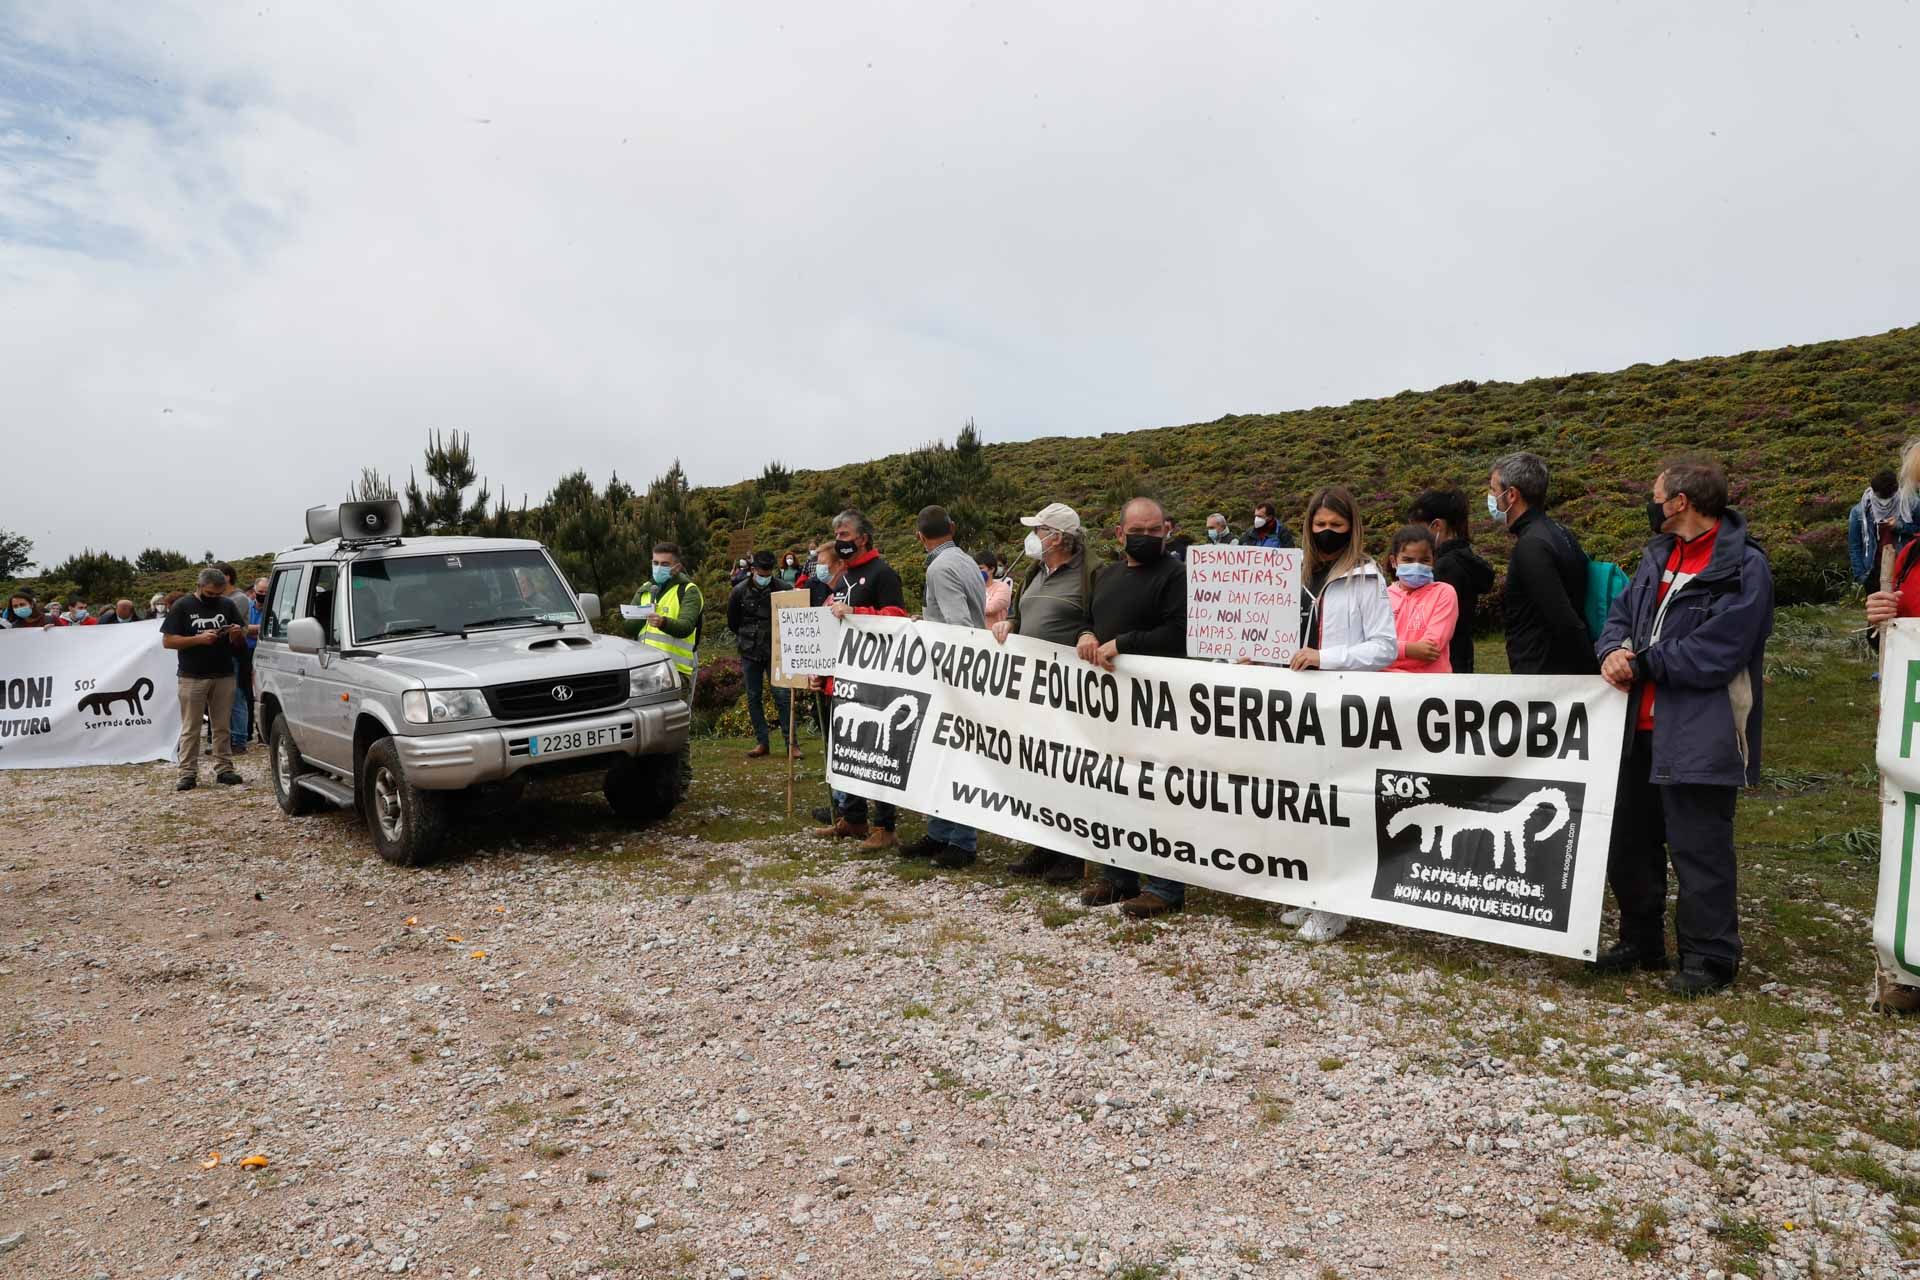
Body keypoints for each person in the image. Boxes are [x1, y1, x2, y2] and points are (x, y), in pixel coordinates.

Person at [1596, 458, 1773, 997]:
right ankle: (1640, 940)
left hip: (1702, 728)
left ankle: (1710, 957)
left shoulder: (1745, 567)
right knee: (1630, 840)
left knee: (1700, 845)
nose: (1651, 504)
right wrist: (1611, 651)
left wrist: (1645, 662)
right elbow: (1618, 616)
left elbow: (1723, 647)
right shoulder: (1656, 557)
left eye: (1656, 495)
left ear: (1680, 502)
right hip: (1636, 728)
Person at [1280, 485, 1397, 943]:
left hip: (1343, 704)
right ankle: (1310, 892)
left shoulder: (1367, 577)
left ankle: (1337, 906)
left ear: (1352, 528)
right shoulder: (1293, 575)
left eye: (1337, 525)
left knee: (1336, 806)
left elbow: (1384, 648)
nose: (1327, 533)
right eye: (1320, 525)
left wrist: (1325, 658)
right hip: (1294, 706)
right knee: (1302, 803)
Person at [1076, 498, 1189, 918]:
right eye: (1136, 531)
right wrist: (1086, 634)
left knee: (1157, 793)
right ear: (1120, 534)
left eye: (1154, 530)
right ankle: (1118, 876)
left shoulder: (1177, 575)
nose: (1146, 538)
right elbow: (1088, 618)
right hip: (1108, 707)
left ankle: (1164, 886)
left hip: (1159, 706)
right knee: (1111, 787)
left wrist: (1124, 644)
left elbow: (1179, 634)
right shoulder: (1106, 575)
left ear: (1167, 531)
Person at [995, 502, 1097, 884]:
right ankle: (1043, 844)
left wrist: (1089, 633)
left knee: (1067, 771)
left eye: (1038, 530)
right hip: (1031, 690)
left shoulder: (1090, 574)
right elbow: (1024, 614)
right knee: (1036, 768)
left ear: (1058, 537)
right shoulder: (1034, 571)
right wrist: (1011, 624)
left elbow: (1096, 618)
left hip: (1070, 691)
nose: (1033, 537)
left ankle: (1071, 855)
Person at [812, 509, 908, 851]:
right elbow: (831, 628)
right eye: (836, 535)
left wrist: (859, 614)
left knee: (874, 753)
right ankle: (853, 818)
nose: (840, 541)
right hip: (839, 681)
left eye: (845, 535)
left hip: (873, 681)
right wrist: (820, 672)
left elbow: (898, 619)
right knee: (843, 752)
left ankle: (885, 825)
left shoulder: (882, 573)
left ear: (863, 537)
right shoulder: (843, 577)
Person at [898, 506, 988, 868]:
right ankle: (939, 832)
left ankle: (962, 842)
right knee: (941, 756)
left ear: (919, 536)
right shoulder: (965, 560)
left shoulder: (939, 567)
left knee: (954, 758)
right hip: (966, 672)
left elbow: (957, 626)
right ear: (952, 527)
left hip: (953, 676)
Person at [1866, 474, 1920, 1012]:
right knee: (1911, 834)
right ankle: (1907, 967)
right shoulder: (1907, 556)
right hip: (1913, 731)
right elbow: (1894, 640)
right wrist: (1882, 619)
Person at [1489, 451, 1598, 675]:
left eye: (1493, 490)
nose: (1490, 497)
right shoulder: (1559, 532)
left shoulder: (1532, 546)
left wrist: (1594, 672)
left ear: (1511, 495)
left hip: (1543, 676)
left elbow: (1562, 617)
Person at [162, 567, 249, 791]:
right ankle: (187, 773)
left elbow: (240, 642)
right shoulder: (182, 606)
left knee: (222, 726)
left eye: (218, 594)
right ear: (199, 587)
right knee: (191, 727)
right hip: (193, 675)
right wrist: (198, 639)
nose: (213, 598)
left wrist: (237, 634)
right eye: (209, 594)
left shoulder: (227, 605)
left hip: (224, 673)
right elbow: (168, 641)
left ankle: (224, 769)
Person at [1407, 487, 1495, 674]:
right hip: (1462, 654)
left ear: (1436, 526)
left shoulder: (1445, 567)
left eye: (1416, 529)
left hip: (1442, 660)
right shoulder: (1466, 558)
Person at [729, 551, 798, 760]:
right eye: (761, 571)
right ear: (753, 570)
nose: (765, 575)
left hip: (776, 650)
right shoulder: (739, 591)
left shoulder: (783, 588)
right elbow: (733, 622)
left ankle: (791, 743)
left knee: (783, 696)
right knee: (753, 696)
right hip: (750, 650)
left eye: (768, 572)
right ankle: (762, 742)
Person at [625, 543, 705, 691]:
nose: (658, 568)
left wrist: (663, 622)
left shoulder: (688, 591)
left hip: (676, 671)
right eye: (655, 563)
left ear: (677, 567)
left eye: (665, 564)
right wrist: (641, 616)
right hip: (643, 668)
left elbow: (686, 627)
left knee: (673, 714)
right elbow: (629, 628)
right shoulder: (645, 590)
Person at [1383, 525, 1458, 674]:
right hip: (1386, 688)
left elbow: (1430, 650)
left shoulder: (1444, 593)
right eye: (1408, 560)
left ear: (1433, 560)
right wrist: (1409, 649)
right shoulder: (1381, 597)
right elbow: (1369, 648)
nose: (1416, 566)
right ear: (1394, 561)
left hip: (1430, 688)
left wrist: (1387, 652)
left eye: (1424, 560)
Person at [217, 564, 255, 752]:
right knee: (224, 698)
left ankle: (239, 739)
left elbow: (227, 623)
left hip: (235, 652)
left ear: (228, 576)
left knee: (237, 695)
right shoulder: (223, 598)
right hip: (223, 653)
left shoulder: (238, 599)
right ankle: (228, 739)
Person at [1851, 469, 1900, 587]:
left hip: (1900, 568)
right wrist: (1861, 575)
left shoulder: (1908, 507)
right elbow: (1855, 545)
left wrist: (1899, 526)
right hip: (1873, 571)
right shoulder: (1860, 511)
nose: (1882, 501)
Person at [975, 551, 1012, 629]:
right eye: (974, 568)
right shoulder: (973, 587)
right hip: (974, 635)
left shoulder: (1003, 587)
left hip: (993, 636)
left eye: (980, 568)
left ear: (991, 569)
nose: (976, 572)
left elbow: (990, 609)